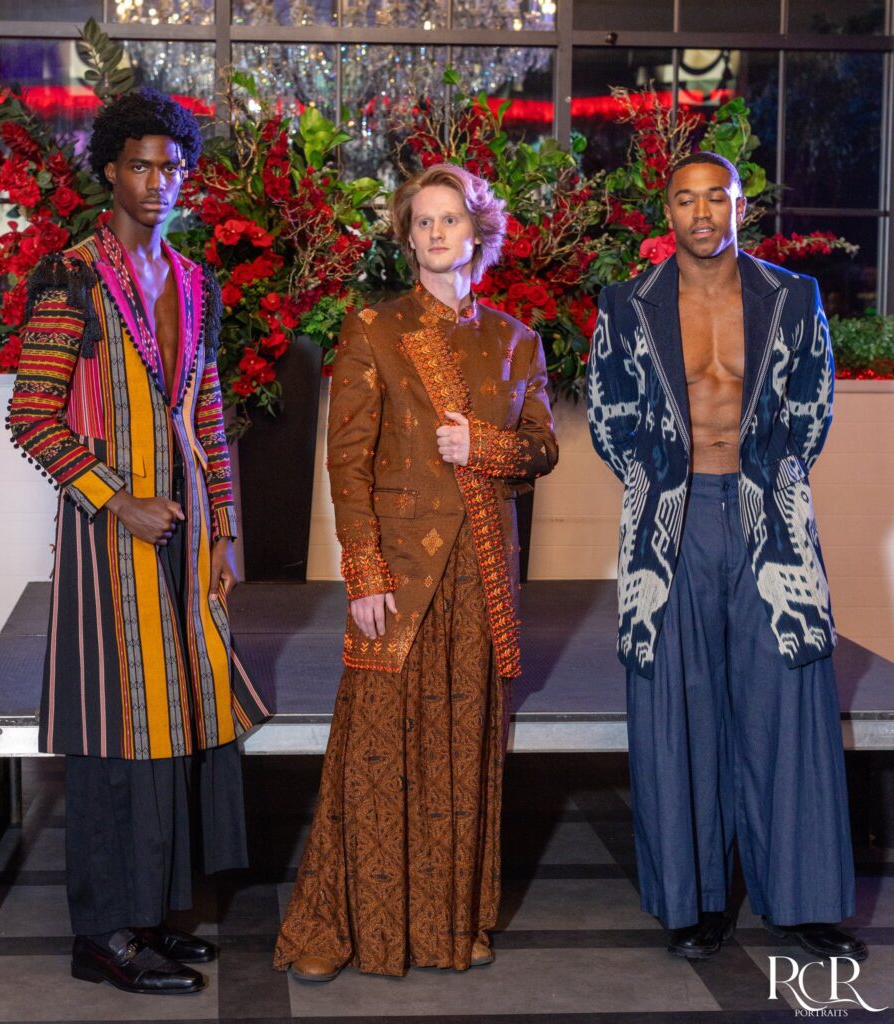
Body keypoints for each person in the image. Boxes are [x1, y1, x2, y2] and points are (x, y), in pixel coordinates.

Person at [8, 88, 268, 994]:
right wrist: (119, 502)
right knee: (117, 731)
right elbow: (32, 416)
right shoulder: (71, 277)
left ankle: (151, 917)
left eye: (173, 167)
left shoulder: (196, 282)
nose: (159, 183)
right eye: (141, 166)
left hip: (189, 540)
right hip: (108, 543)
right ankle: (104, 936)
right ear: (110, 171)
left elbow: (210, 415)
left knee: (179, 722)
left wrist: (225, 530)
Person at [273, 163, 558, 981]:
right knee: (373, 751)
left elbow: (542, 448)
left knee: (464, 754)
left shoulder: (517, 339)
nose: (437, 233)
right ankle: (338, 927)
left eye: (451, 219)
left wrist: (484, 446)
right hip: (398, 573)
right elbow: (347, 462)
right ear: (407, 237)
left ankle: (450, 926)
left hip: (484, 574)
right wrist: (362, 571)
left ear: (479, 231)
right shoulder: (376, 328)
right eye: (422, 221)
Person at [586, 151, 865, 962]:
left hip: (768, 515)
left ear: (742, 206)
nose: (702, 212)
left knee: (790, 700)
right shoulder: (626, 304)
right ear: (667, 211)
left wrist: (772, 481)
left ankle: (803, 903)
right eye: (686, 199)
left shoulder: (791, 295)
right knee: (678, 703)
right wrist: (662, 483)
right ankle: (695, 902)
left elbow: (813, 408)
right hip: (669, 522)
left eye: (717, 197)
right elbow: (608, 417)